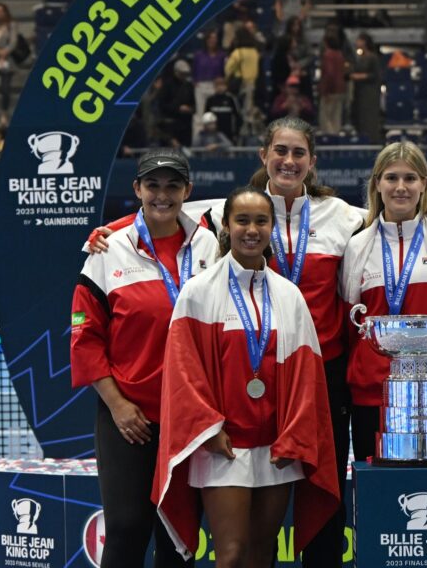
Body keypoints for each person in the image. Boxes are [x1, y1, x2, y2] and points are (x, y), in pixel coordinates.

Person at [86, 117, 365, 568]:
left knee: (283, 539)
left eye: (298, 153)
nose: (288, 161)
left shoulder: (347, 218)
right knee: (204, 544)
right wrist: (109, 234)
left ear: (312, 161)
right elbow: (162, 210)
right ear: (264, 156)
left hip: (306, 393)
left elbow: (401, 212)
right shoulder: (216, 215)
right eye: (280, 151)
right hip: (226, 413)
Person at [153, 185, 340, 567]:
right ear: (226, 225)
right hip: (222, 446)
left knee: (260, 554)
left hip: (277, 448)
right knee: (232, 554)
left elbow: (308, 379)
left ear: (272, 227)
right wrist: (208, 429)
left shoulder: (289, 296)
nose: (251, 229)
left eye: (260, 221)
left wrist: (293, 436)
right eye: (242, 220)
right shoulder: (199, 292)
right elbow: (182, 372)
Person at [70, 149, 219, 568]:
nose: (162, 195)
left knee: (178, 536)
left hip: (189, 417)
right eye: (152, 185)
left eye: (173, 186)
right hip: (129, 416)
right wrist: (117, 406)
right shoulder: (106, 251)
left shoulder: (211, 244)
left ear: (188, 191)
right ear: (137, 189)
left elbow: (256, 211)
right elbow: (86, 338)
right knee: (126, 526)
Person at [340, 141, 427, 463]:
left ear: (424, 184)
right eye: (391, 178)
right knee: (378, 495)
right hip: (372, 395)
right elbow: (351, 326)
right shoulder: (357, 247)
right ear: (377, 184)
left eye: (410, 178)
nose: (400, 187)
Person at [350, 32, 381, 143]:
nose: (357, 42)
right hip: (360, 92)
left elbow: (376, 75)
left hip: (370, 92)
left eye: (359, 40)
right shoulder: (359, 57)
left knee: (369, 119)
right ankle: (361, 140)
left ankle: (372, 141)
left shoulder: (372, 57)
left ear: (364, 42)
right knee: (360, 118)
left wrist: (360, 76)